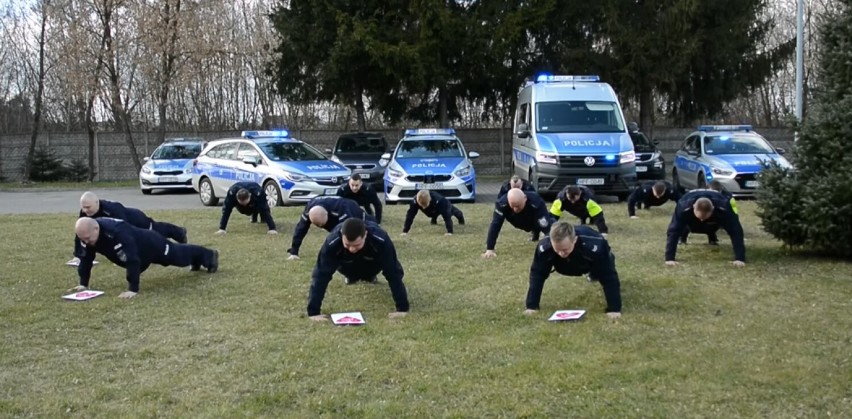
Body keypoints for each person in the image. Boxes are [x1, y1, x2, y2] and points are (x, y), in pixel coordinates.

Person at [71, 217, 219, 299]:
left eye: (87, 238)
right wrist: (83, 283)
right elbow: (86, 258)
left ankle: (209, 256)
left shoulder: (118, 231)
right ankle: (197, 260)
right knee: (179, 258)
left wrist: (133, 289)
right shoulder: (85, 235)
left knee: (178, 257)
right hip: (138, 254)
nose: (85, 242)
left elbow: (132, 259)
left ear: (96, 228)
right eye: (82, 239)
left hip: (151, 244)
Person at [306, 218, 409, 321]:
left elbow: (393, 273)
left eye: (356, 245)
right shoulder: (332, 242)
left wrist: (402, 308)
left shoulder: (381, 240)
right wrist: (313, 312)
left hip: (373, 263)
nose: (352, 249)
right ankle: (351, 276)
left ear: (365, 235)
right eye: (347, 245)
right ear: (342, 235)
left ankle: (370, 276)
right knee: (343, 269)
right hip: (345, 264)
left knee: (389, 269)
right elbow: (321, 275)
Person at [524, 222, 622, 319]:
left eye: (565, 249)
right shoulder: (544, 247)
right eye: (557, 249)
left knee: (601, 272)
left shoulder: (595, 245)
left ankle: (593, 274)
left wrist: (614, 309)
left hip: (590, 260)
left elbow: (609, 276)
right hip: (563, 266)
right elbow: (537, 275)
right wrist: (531, 306)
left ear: (574, 240)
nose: (561, 253)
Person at [68, 191, 187, 265]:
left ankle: (180, 233)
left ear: (96, 202)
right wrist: (78, 255)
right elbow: (81, 234)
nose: (85, 210)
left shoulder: (112, 208)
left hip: (136, 220)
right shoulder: (84, 213)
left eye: (88, 207)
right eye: (83, 208)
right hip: (126, 225)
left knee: (156, 230)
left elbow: (124, 229)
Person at [665, 189, 746, 266]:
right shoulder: (683, 205)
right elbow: (673, 231)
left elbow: (736, 231)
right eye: (700, 217)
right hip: (690, 205)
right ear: (693, 207)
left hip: (716, 212)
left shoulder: (724, 206)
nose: (701, 220)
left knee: (716, 225)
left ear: (713, 209)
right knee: (683, 225)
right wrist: (669, 258)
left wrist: (740, 258)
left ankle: (712, 235)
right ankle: (684, 236)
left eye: (704, 218)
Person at [287, 196, 375, 259]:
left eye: (322, 225)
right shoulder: (309, 209)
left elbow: (345, 232)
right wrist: (294, 251)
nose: (321, 227)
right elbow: (300, 229)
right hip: (331, 211)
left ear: (327, 215)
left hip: (352, 208)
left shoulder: (342, 209)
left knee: (366, 230)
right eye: (317, 225)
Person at [482, 189, 553, 258]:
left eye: (518, 206)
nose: (515, 209)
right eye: (513, 206)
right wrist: (490, 249)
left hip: (532, 217)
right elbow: (495, 225)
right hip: (516, 220)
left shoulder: (536, 201)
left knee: (547, 223)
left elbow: (545, 226)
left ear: (525, 199)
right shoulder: (502, 203)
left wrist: (550, 244)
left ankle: (537, 233)